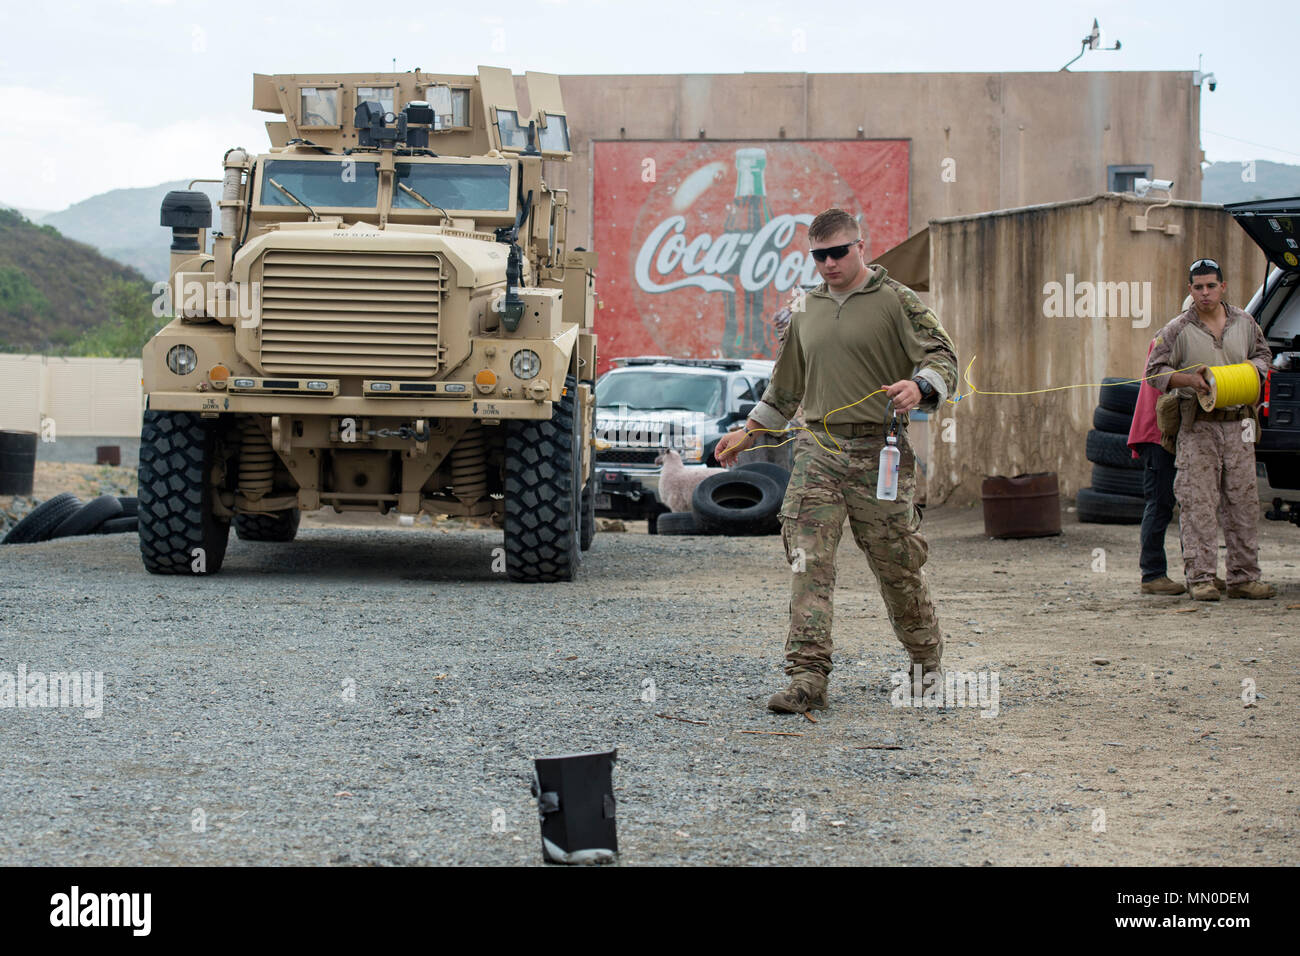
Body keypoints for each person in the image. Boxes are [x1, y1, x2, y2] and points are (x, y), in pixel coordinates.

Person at [716, 208, 959, 713]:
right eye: (819, 255)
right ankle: (807, 678)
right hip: (817, 449)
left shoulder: (896, 301)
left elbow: (942, 357)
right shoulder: (805, 307)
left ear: (861, 247)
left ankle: (925, 665)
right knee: (809, 562)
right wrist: (750, 432)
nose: (829, 263)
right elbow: (785, 384)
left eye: (838, 252)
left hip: (880, 452)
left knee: (897, 564)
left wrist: (920, 385)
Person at [1145, 258, 1275, 601]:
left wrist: (1251, 372)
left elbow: (1264, 356)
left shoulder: (1246, 323)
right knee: (1198, 503)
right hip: (1199, 426)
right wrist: (1190, 379)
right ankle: (1201, 578)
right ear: (1190, 290)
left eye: (1211, 286)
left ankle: (1244, 578)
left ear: (1223, 287)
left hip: (1240, 427)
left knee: (1243, 501)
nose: (1205, 293)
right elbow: (1154, 372)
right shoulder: (1175, 329)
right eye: (1198, 287)